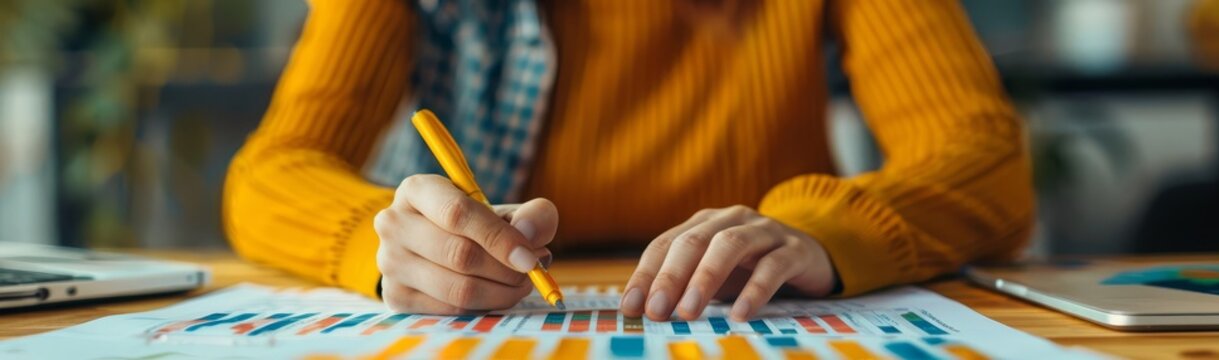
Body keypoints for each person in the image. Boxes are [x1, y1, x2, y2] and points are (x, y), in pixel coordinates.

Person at [224, 0, 1033, 323]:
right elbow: (270, 171)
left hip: (760, 311)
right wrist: (379, 240)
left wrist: (821, 232)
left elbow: (985, 159)